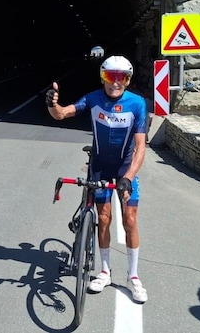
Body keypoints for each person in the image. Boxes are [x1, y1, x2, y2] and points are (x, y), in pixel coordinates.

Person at [45, 55, 149, 303]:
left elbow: (141, 147)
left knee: (130, 220)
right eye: (110, 77)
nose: (115, 83)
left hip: (125, 169)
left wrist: (129, 177)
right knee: (103, 218)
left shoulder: (137, 104)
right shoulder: (93, 99)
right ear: (103, 77)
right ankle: (104, 271)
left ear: (128, 79)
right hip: (100, 167)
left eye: (121, 77)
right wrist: (52, 104)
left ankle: (133, 277)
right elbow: (61, 114)